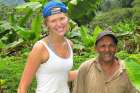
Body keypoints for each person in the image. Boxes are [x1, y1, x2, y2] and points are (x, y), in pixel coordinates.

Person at [18, 1, 77, 93]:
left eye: (62, 18)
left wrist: (89, 67)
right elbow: (22, 88)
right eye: (53, 21)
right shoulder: (40, 48)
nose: (59, 24)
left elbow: (62, 76)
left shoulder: (69, 44)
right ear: (46, 24)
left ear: (67, 19)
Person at [72, 31, 140, 93]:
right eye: (103, 46)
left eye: (111, 45)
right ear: (96, 48)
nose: (107, 50)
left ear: (116, 48)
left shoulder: (128, 70)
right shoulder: (85, 68)